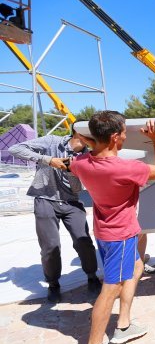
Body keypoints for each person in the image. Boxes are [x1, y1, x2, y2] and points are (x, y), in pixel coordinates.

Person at [70, 111, 155, 344]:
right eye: (123, 132)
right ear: (115, 137)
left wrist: (94, 143)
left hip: (103, 232)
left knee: (136, 267)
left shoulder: (81, 164)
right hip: (121, 236)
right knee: (110, 289)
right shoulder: (127, 167)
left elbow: (82, 156)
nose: (126, 135)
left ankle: (123, 324)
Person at [8, 126, 101, 303]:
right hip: (44, 198)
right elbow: (15, 149)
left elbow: (76, 188)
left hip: (71, 201)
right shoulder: (52, 142)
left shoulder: (89, 155)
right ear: (79, 133)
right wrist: (49, 160)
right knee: (50, 246)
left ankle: (92, 277)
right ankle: (53, 284)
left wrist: (71, 170)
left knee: (84, 242)